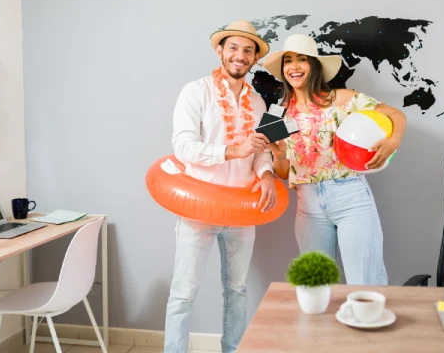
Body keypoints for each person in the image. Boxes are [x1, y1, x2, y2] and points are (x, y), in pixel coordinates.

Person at [165, 20, 278, 353]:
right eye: (233, 48)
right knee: (183, 294)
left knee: (238, 290)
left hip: (242, 213)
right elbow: (183, 147)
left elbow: (260, 151)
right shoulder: (195, 91)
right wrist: (233, 150)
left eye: (248, 50)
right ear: (220, 51)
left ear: (254, 58)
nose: (240, 56)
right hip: (198, 210)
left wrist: (267, 173)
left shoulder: (258, 103)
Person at [262, 33, 407, 286]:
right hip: (307, 206)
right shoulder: (276, 114)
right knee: (315, 287)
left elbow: (396, 114)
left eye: (302, 59)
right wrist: (280, 154)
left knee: (365, 283)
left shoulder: (341, 98)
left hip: (350, 197)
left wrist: (393, 140)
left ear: (314, 65)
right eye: (288, 61)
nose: (294, 67)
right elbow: (283, 172)